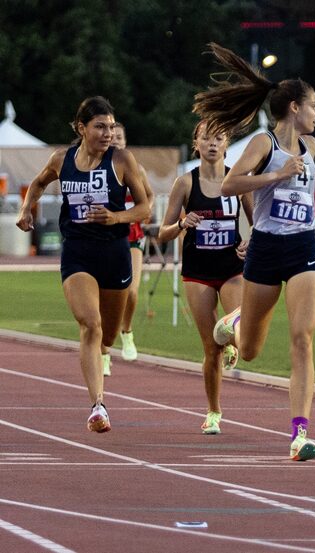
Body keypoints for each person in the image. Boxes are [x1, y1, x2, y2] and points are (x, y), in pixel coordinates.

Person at [193, 42, 315, 460]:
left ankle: (299, 433)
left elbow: (307, 179)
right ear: (295, 107)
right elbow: (230, 184)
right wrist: (276, 175)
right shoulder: (263, 145)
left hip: (302, 246)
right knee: (249, 351)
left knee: (302, 338)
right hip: (265, 247)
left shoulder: (311, 148)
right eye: (314, 106)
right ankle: (234, 321)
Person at [16, 96, 150, 433]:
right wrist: (26, 209)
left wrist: (116, 216)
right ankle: (98, 406)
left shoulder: (122, 160)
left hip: (115, 252)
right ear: (82, 128)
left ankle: (105, 353)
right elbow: (38, 182)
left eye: (111, 127)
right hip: (77, 253)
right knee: (90, 324)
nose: (107, 133)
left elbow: (145, 207)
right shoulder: (63, 159)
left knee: (106, 333)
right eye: (100, 127)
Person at [157, 120, 253, 435]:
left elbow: (260, 222)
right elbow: (162, 233)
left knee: (243, 332)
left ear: (227, 144)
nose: (212, 143)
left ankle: (228, 332)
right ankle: (214, 412)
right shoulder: (185, 183)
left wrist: (249, 241)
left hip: (231, 268)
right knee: (210, 349)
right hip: (197, 272)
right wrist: (183, 223)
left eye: (219, 138)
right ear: (196, 143)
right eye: (206, 138)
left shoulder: (238, 180)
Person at [110, 122, 155, 369]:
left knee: (132, 291)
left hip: (132, 235)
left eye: (119, 137)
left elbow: (149, 196)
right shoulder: (98, 169)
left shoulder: (136, 169)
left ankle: (127, 332)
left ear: (125, 142)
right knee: (105, 297)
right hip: (105, 237)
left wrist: (145, 210)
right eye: (111, 136)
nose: (115, 140)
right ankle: (104, 351)